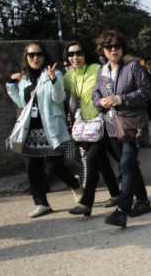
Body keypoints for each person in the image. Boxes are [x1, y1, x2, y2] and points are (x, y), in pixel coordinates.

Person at [6, 42, 81, 218]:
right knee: (33, 168)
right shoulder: (23, 78)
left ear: (44, 56)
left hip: (50, 128)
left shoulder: (54, 73)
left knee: (56, 166)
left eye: (38, 54)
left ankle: (76, 187)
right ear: (26, 58)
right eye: (31, 55)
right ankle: (41, 203)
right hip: (30, 131)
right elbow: (22, 104)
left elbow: (59, 97)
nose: (35, 58)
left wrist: (54, 80)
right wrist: (11, 85)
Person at [92, 30, 151, 228]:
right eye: (109, 47)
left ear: (122, 48)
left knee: (126, 165)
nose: (113, 50)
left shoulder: (133, 67)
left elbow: (146, 91)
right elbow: (95, 96)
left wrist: (121, 99)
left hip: (133, 124)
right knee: (130, 166)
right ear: (103, 51)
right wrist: (101, 101)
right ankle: (143, 202)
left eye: (117, 46)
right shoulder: (102, 71)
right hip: (111, 126)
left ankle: (122, 210)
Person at [63, 41, 121, 216]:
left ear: (85, 54)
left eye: (78, 53)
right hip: (86, 126)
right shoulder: (68, 77)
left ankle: (86, 202)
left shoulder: (97, 69)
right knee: (102, 161)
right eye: (71, 54)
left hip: (103, 120)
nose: (75, 57)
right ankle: (117, 194)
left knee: (93, 160)